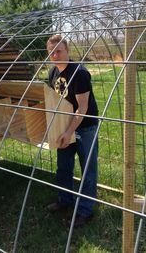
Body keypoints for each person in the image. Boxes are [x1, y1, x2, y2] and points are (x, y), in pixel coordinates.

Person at [46, 34, 99, 228]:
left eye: (59, 51)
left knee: (88, 170)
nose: (55, 55)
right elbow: (53, 102)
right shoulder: (52, 73)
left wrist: (69, 132)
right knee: (63, 167)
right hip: (63, 126)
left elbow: (82, 109)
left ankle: (85, 211)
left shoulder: (79, 73)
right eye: (51, 52)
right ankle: (65, 200)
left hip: (85, 127)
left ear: (67, 51)